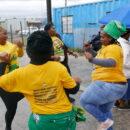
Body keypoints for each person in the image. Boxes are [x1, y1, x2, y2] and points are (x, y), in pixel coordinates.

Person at [0, 30, 81, 130]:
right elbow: (73, 90)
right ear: (51, 50)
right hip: (64, 119)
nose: (6, 35)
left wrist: (3, 63)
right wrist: (77, 81)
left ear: (28, 52)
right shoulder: (59, 68)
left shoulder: (20, 74)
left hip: (40, 122)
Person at [80, 20, 128, 130]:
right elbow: (99, 57)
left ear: (111, 38)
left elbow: (112, 62)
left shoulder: (114, 48)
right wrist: (89, 50)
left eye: (104, 37)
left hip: (109, 84)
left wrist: (92, 59)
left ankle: (105, 121)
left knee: (84, 101)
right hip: (115, 86)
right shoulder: (107, 48)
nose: (101, 39)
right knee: (104, 110)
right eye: (101, 36)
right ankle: (108, 124)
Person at [44, 23, 78, 103]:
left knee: (67, 79)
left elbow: (63, 46)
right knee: (59, 81)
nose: (55, 29)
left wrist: (71, 52)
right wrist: (52, 57)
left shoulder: (57, 36)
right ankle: (63, 98)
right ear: (47, 30)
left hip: (64, 62)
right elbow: (44, 53)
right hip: (55, 64)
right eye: (53, 28)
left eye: (54, 28)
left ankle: (67, 97)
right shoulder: (45, 39)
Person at [0, 26, 24, 130]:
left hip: (15, 79)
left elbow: (20, 54)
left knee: (12, 106)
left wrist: (20, 47)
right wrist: (15, 46)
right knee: (11, 107)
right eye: (4, 33)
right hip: (3, 82)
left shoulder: (10, 45)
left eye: (6, 33)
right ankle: (8, 127)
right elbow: (7, 57)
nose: (6, 35)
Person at [116, 28, 130, 108]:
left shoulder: (119, 42)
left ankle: (118, 103)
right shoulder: (124, 45)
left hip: (120, 71)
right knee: (125, 89)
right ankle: (122, 104)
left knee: (121, 87)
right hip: (125, 71)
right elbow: (125, 61)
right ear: (127, 34)